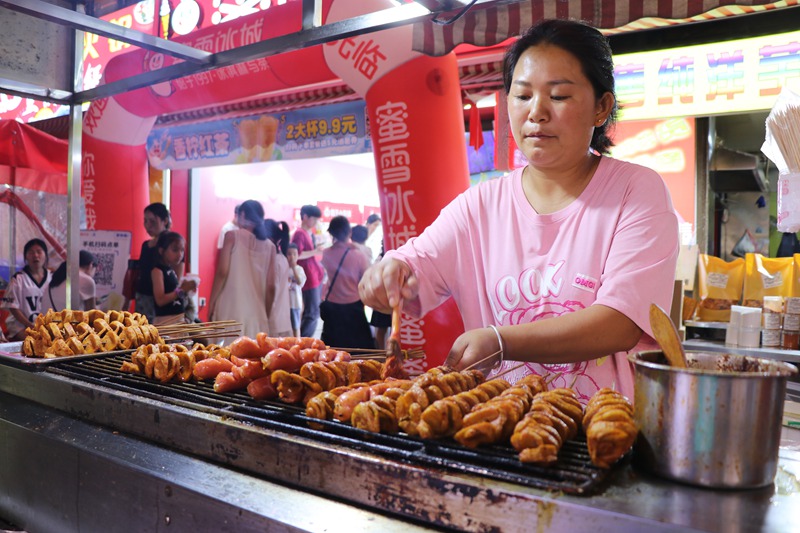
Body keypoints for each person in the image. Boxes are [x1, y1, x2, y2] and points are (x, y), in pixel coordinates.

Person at [358, 19, 679, 401]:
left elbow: (620, 323)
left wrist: (501, 340)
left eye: (558, 96)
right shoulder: (479, 205)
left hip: (606, 433)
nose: (537, 112)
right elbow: (415, 266)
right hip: (498, 432)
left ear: (601, 107)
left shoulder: (636, 191)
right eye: (522, 95)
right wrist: (388, 273)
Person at [209, 199, 277, 344]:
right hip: (256, 315)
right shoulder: (270, 247)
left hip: (230, 310)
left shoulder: (232, 236)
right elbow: (271, 286)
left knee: (224, 360)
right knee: (252, 362)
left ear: (243, 214)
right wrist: (266, 312)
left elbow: (222, 272)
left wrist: (212, 302)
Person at [320, 216, 373, 350]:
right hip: (354, 308)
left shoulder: (326, 254)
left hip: (333, 308)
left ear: (331, 233)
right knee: (358, 350)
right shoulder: (359, 255)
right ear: (349, 232)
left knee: (333, 351)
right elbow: (366, 280)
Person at [1, 238, 53, 341]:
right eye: (31, 252)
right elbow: (13, 308)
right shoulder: (18, 279)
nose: (35, 256)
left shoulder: (53, 277)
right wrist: (30, 325)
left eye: (39, 252)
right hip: (20, 326)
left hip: (46, 327)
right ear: (26, 257)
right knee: (37, 342)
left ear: (45, 255)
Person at [134, 203, 174, 322]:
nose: (148, 225)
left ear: (165, 221)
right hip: (142, 297)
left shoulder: (172, 245)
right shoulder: (146, 245)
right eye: (145, 221)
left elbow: (176, 276)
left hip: (161, 301)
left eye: (152, 221)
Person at [291, 204, 325, 338]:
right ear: (305, 217)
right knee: (312, 313)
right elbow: (296, 255)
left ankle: (303, 342)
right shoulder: (300, 233)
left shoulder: (306, 233)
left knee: (312, 312)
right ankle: (303, 343)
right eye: (314, 219)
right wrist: (315, 252)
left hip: (313, 277)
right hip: (309, 278)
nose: (316, 222)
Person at [151, 231, 197, 326]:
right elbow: (160, 300)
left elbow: (176, 293)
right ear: (161, 251)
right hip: (166, 321)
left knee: (204, 339)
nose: (180, 254)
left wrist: (187, 291)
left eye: (182, 250)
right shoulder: (157, 271)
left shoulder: (171, 269)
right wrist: (181, 290)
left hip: (178, 319)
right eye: (175, 250)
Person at [266, 219, 293, 338]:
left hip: (273, 321)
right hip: (284, 320)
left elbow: (272, 289)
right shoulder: (282, 258)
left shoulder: (273, 261)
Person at [286, 243, 306, 338]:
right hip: (285, 304)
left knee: (296, 326)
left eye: (294, 254)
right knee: (287, 326)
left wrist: (294, 268)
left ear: (298, 256)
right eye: (289, 254)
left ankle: (297, 342)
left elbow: (299, 282)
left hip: (295, 303)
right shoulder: (284, 268)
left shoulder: (299, 269)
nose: (292, 257)